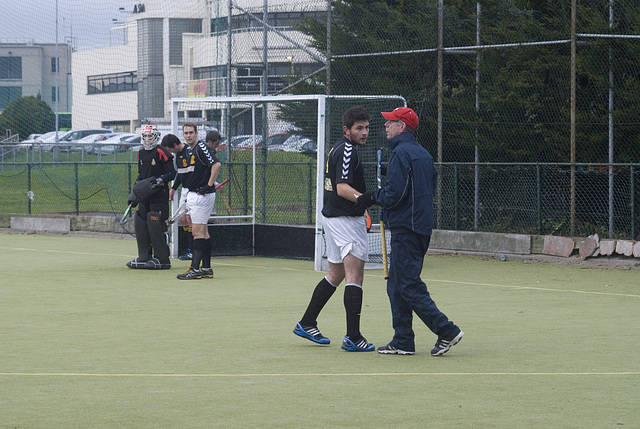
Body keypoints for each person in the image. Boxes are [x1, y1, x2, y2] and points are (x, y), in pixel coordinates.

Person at [357, 106, 463, 356]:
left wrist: (371, 197)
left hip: (407, 227)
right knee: (396, 284)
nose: (385, 125)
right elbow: (419, 184)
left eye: (390, 122)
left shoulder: (401, 153)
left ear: (401, 126)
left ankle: (446, 329)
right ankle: (403, 339)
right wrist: (390, 173)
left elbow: (394, 195)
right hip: (420, 226)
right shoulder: (421, 153)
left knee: (407, 284)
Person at [293, 106, 375, 352]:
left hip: (333, 217)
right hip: (345, 221)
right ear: (346, 130)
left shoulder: (338, 147)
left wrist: (362, 205)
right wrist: (369, 199)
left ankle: (307, 323)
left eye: (367, 128)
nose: (364, 132)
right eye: (359, 128)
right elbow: (342, 188)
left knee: (336, 274)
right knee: (355, 277)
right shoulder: (348, 149)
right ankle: (353, 337)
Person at [162, 123, 221, 280]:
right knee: (204, 232)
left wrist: (208, 186)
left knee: (197, 232)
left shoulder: (201, 147)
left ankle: (195, 269)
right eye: (186, 133)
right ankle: (207, 268)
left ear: (196, 133)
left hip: (202, 196)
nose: (188, 135)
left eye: (191, 133)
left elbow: (216, 165)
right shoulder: (190, 150)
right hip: (195, 195)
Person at [126, 125, 176, 270]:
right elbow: (141, 175)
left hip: (159, 196)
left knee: (154, 222)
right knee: (140, 219)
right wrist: (135, 191)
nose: (148, 139)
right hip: (145, 195)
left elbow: (172, 173)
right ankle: (144, 256)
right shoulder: (141, 153)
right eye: (146, 136)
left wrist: (161, 180)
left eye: (150, 136)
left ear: (156, 137)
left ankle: (162, 258)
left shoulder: (162, 151)